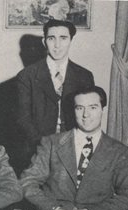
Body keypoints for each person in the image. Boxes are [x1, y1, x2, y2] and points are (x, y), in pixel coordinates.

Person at [16, 19, 94, 162]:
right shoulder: (27, 76)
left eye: (63, 38)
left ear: (71, 40)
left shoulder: (84, 76)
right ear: (44, 42)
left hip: (74, 151)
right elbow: (23, 119)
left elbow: (87, 117)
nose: (57, 45)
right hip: (37, 151)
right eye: (52, 38)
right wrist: (45, 147)